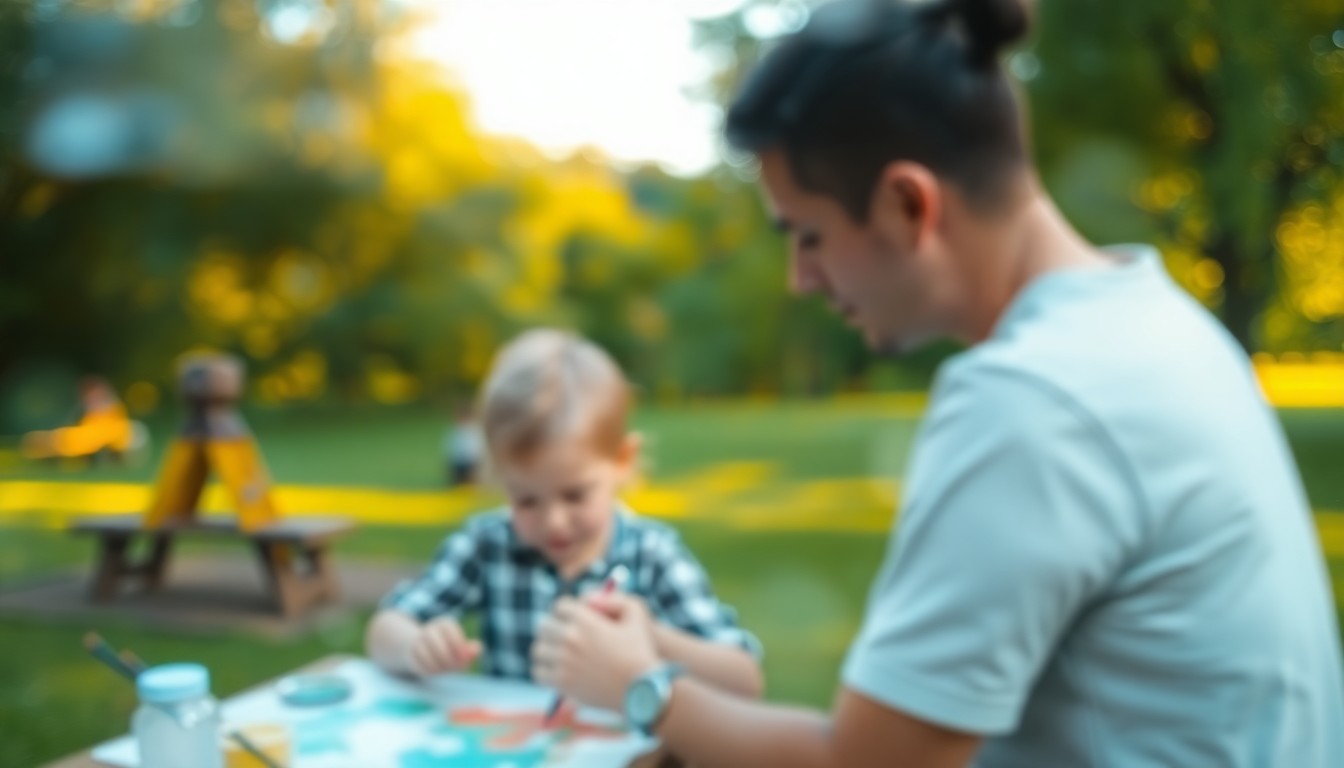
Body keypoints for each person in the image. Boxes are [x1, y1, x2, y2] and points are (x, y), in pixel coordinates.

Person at [529, 0, 1344, 766]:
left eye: (808, 236)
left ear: (906, 205)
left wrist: (644, 687)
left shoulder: (1030, 401)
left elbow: (872, 762)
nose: (800, 280)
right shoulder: (1159, 322)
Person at [366, 329, 763, 701]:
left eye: (575, 495)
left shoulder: (651, 554)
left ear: (623, 461)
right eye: (526, 500)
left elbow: (745, 680)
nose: (554, 521)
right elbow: (384, 629)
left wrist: (651, 639)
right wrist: (414, 646)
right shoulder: (487, 545)